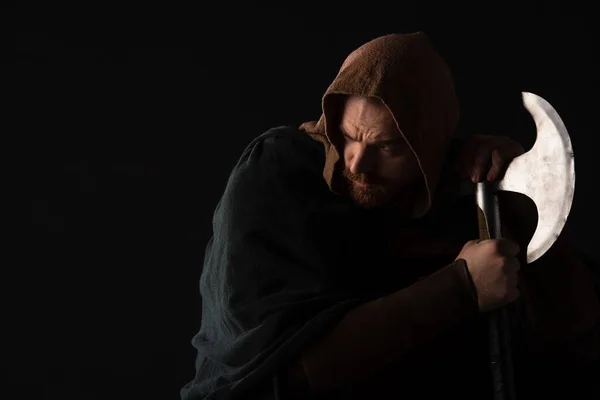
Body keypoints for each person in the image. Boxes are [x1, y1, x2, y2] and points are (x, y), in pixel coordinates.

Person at [180, 32, 600, 399]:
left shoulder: (452, 187)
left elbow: (572, 331)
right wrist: (462, 285)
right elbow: (285, 371)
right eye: (346, 135)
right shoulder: (277, 176)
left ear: (427, 148)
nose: (357, 163)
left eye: (386, 147)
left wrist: (516, 198)